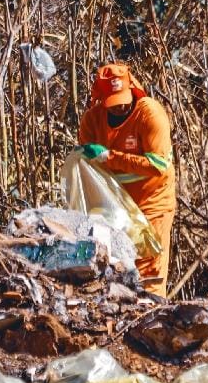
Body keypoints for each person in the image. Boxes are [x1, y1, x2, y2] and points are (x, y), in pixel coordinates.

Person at [76, 63, 178, 282]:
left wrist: (110, 157)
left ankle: (152, 313)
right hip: (116, 207)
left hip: (153, 202)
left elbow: (158, 166)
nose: (120, 108)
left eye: (124, 101)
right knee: (114, 266)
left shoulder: (149, 114)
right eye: (113, 104)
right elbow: (89, 172)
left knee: (149, 268)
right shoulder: (92, 122)